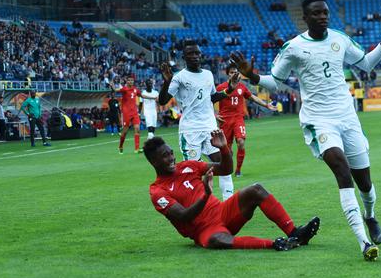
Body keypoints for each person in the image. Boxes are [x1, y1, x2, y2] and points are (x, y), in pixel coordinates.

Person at [231, 0, 381, 261]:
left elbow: (366, 63)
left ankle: (371, 216)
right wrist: (253, 76)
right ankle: (364, 242)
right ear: (305, 18)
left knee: (364, 181)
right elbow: (275, 81)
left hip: (347, 118)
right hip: (319, 120)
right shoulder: (293, 47)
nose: (322, 17)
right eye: (316, 13)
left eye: (325, 13)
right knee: (342, 172)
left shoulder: (339, 39)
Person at [145, 134, 320, 250]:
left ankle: (294, 233)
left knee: (256, 189)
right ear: (153, 161)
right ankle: (276, 244)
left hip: (223, 212)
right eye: (165, 156)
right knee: (216, 241)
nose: (172, 158)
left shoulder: (189, 166)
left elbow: (225, 168)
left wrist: (224, 149)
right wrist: (206, 195)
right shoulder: (157, 191)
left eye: (171, 153)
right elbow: (184, 216)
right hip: (203, 230)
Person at [158, 40, 240, 201]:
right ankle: (199, 206)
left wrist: (229, 89)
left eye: (197, 53)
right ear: (184, 57)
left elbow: (211, 97)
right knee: (192, 171)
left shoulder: (208, 74)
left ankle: (228, 203)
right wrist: (167, 81)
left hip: (210, 127)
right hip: (190, 131)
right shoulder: (179, 77)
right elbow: (162, 100)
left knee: (225, 162)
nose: (195, 56)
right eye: (190, 54)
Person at [216, 63, 276, 177]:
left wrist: (266, 105)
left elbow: (253, 97)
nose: (234, 74)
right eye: (232, 72)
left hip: (238, 119)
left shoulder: (242, 87)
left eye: (236, 72)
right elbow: (209, 101)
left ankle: (238, 170)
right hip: (225, 121)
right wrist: (214, 115)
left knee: (241, 142)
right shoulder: (220, 88)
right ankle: (227, 170)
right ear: (228, 74)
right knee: (227, 150)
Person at [114, 76, 142, 154]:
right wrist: (112, 86)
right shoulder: (124, 89)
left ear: (133, 81)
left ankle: (137, 149)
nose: (130, 82)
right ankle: (120, 146)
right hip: (126, 113)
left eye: (132, 80)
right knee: (125, 132)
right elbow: (116, 90)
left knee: (137, 129)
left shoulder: (135, 89)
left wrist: (152, 98)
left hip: (134, 113)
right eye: (129, 80)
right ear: (127, 81)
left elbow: (142, 95)